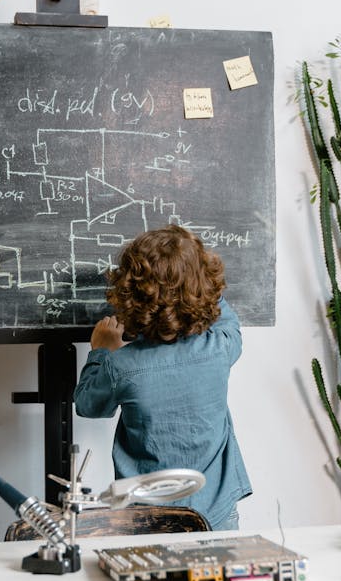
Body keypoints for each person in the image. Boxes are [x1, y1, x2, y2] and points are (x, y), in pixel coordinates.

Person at [73, 224, 251, 531]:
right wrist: (198, 279)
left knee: (151, 576)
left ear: (130, 294)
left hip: (148, 517)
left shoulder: (122, 365)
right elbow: (225, 315)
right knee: (211, 578)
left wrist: (102, 351)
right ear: (203, 286)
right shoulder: (220, 347)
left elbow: (89, 405)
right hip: (217, 511)